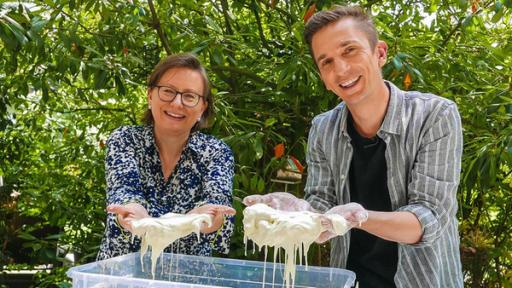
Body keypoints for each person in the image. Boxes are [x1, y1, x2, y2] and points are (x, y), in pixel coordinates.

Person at [244, 5, 463, 287]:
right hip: (350, 280)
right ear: (323, 77)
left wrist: (357, 218)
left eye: (349, 50)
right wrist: (297, 211)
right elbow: (322, 204)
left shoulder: (434, 116)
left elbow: (429, 219)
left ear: (380, 53)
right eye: (327, 62)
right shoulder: (323, 129)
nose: (341, 69)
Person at [97, 53, 236, 260]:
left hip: (189, 280)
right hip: (121, 275)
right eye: (168, 91)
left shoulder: (216, 152)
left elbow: (217, 205)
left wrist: (209, 216)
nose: (177, 103)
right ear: (150, 95)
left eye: (189, 96)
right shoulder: (125, 140)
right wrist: (133, 213)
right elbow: (125, 192)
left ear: (202, 107)